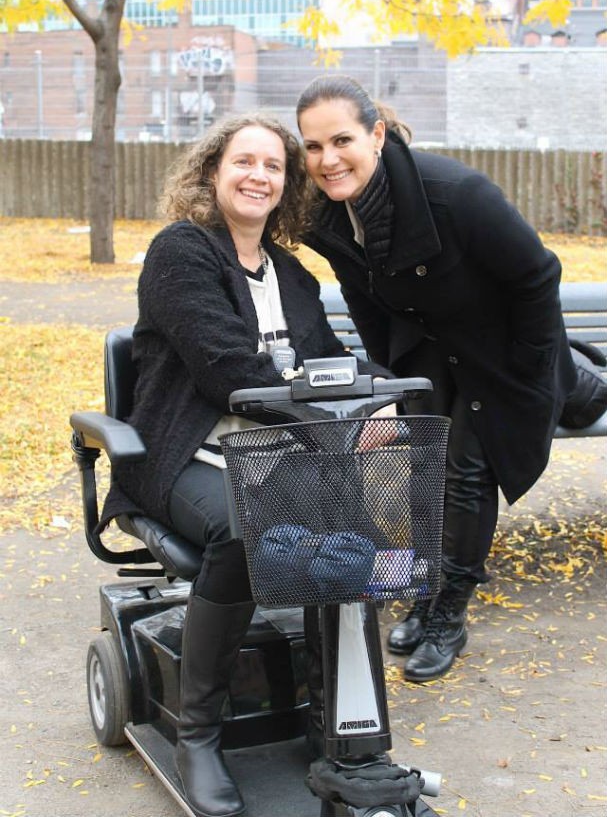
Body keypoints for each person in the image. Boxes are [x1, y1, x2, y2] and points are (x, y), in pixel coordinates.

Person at [98, 113, 390, 817]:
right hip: (184, 452)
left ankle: (335, 724)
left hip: (277, 452)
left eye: (273, 166)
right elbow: (223, 366)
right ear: (212, 172)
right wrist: (323, 422)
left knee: (355, 533)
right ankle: (199, 735)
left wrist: (376, 396)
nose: (258, 175)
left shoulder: (289, 274)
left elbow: (327, 359)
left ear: (285, 186)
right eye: (243, 162)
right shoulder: (181, 253)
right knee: (241, 530)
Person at [296, 74, 577, 684]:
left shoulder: (454, 193)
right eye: (312, 147)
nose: (327, 159)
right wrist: (389, 382)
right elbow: (363, 295)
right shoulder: (331, 215)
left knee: (471, 469)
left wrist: (528, 369)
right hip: (435, 350)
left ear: (376, 134)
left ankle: (447, 611)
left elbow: (537, 276)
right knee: (432, 461)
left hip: (503, 350)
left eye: (341, 139)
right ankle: (428, 590)